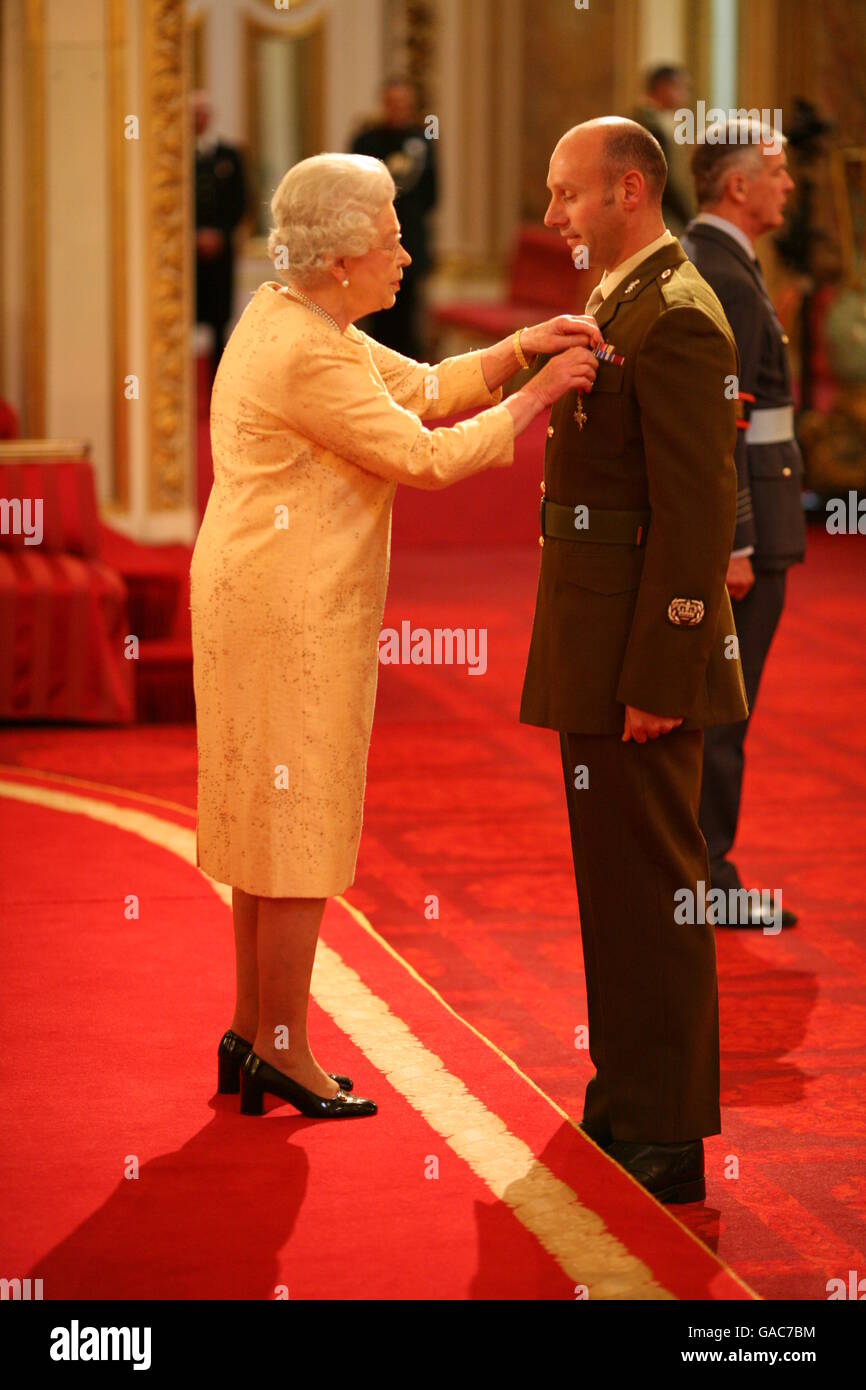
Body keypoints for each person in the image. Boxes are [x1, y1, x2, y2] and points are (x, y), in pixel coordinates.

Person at [189, 152, 601, 1121]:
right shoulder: (307, 346)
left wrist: (516, 350)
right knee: (293, 826)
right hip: (287, 610)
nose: (408, 256)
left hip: (261, 594)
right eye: (391, 240)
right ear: (339, 261)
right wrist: (537, 398)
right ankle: (281, 1047)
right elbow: (420, 455)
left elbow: (417, 387)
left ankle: (254, 1031)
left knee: (266, 820)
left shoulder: (295, 317)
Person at [519, 118, 748, 1203]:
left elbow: (695, 520)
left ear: (626, 188)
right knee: (615, 890)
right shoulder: (618, 296)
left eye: (566, 195)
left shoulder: (678, 315)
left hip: (640, 665)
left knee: (658, 892)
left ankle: (665, 1131)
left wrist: (663, 676)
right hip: (594, 645)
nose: (553, 215)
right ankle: (624, 1093)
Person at [681, 119, 805, 928]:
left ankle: (702, 872)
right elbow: (719, 422)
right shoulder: (722, 272)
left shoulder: (725, 262)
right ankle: (707, 879)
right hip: (748, 536)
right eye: (778, 171)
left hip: (756, 524)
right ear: (738, 187)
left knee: (725, 707)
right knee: (724, 710)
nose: (788, 185)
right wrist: (736, 540)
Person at [351, 78, 437, 358]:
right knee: (377, 315)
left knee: (409, 318)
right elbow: (354, 191)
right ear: (383, 104)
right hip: (372, 244)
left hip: (411, 241)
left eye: (403, 103)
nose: (398, 108)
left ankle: (410, 381)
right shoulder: (366, 141)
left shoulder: (424, 141)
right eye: (392, 103)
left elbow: (433, 195)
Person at [192, 91, 248, 370]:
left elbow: (240, 202)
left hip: (221, 252)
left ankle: (218, 383)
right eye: (193, 113)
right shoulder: (173, 157)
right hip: (186, 256)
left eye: (202, 112)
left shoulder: (230, 156)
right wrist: (193, 236)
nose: (198, 118)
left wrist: (218, 234)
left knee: (219, 322)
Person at [631, 65, 697, 236]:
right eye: (681, 88)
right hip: (654, 213)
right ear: (664, 87)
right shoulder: (649, 125)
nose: (685, 96)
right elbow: (663, 178)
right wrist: (687, 217)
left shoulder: (658, 121)